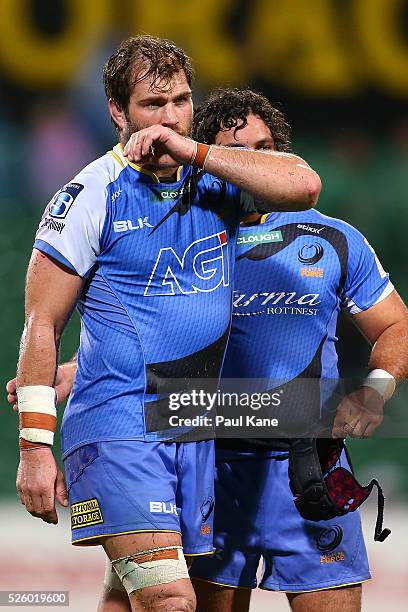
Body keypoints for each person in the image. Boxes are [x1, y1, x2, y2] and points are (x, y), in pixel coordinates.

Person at [13, 37, 321, 612]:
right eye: (154, 104)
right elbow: (41, 324)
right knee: (172, 602)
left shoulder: (212, 178)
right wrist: (34, 447)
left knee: (129, 598)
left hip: (192, 428)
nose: (170, 116)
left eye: (181, 100)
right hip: (118, 427)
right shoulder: (89, 196)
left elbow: (303, 186)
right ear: (116, 110)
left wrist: (197, 151)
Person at [187, 88, 408, 612]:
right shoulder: (185, 243)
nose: (261, 164)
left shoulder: (334, 238)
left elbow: (396, 326)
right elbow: (148, 337)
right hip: (211, 466)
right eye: (243, 154)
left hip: (308, 465)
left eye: (268, 148)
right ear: (218, 164)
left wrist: (375, 391)